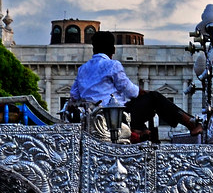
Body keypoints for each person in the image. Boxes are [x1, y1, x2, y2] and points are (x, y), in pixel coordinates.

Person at [70, 32, 202, 141]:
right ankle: (190, 123)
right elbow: (130, 90)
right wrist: (143, 92)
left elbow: (74, 95)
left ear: (94, 49)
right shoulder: (112, 65)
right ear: (113, 49)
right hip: (115, 117)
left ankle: (138, 131)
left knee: (140, 115)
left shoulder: (83, 69)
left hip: (93, 119)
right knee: (154, 97)